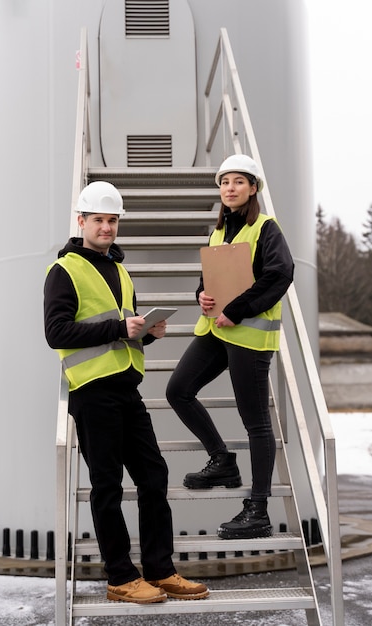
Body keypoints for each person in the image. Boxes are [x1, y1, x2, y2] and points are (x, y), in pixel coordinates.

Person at [44, 181, 208, 604]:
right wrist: (122, 327)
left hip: (125, 389)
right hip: (92, 393)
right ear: (81, 221)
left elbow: (124, 331)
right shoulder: (64, 270)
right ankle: (120, 577)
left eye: (113, 220)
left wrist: (148, 332)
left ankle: (160, 569)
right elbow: (56, 331)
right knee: (108, 486)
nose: (106, 227)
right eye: (98, 219)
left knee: (154, 476)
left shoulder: (118, 269)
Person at [166, 155, 294, 540]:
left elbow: (280, 274)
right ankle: (221, 459)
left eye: (239, 181)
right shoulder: (218, 232)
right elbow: (207, 279)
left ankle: (258, 510)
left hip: (250, 337)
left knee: (256, 422)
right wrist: (201, 296)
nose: (230, 188)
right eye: (224, 182)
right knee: (178, 390)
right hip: (215, 331)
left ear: (253, 188)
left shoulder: (266, 229)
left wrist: (237, 310)